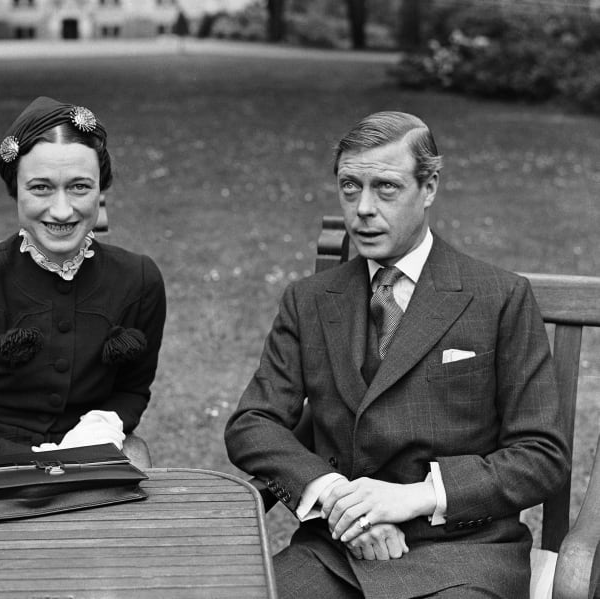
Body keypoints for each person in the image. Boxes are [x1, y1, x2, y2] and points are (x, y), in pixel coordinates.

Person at [225, 111, 569, 598]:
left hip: (465, 554)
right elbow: (252, 423)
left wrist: (412, 498)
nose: (363, 208)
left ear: (428, 188)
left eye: (385, 187)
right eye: (349, 186)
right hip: (336, 551)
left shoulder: (498, 297)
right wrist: (338, 500)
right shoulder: (310, 300)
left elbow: (542, 456)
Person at [0, 96, 166, 472]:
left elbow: (131, 389)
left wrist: (99, 427)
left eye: (79, 187)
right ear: (16, 191)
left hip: (91, 465)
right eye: (41, 188)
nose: (61, 210)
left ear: (100, 190)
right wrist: (39, 462)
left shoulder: (139, 281)